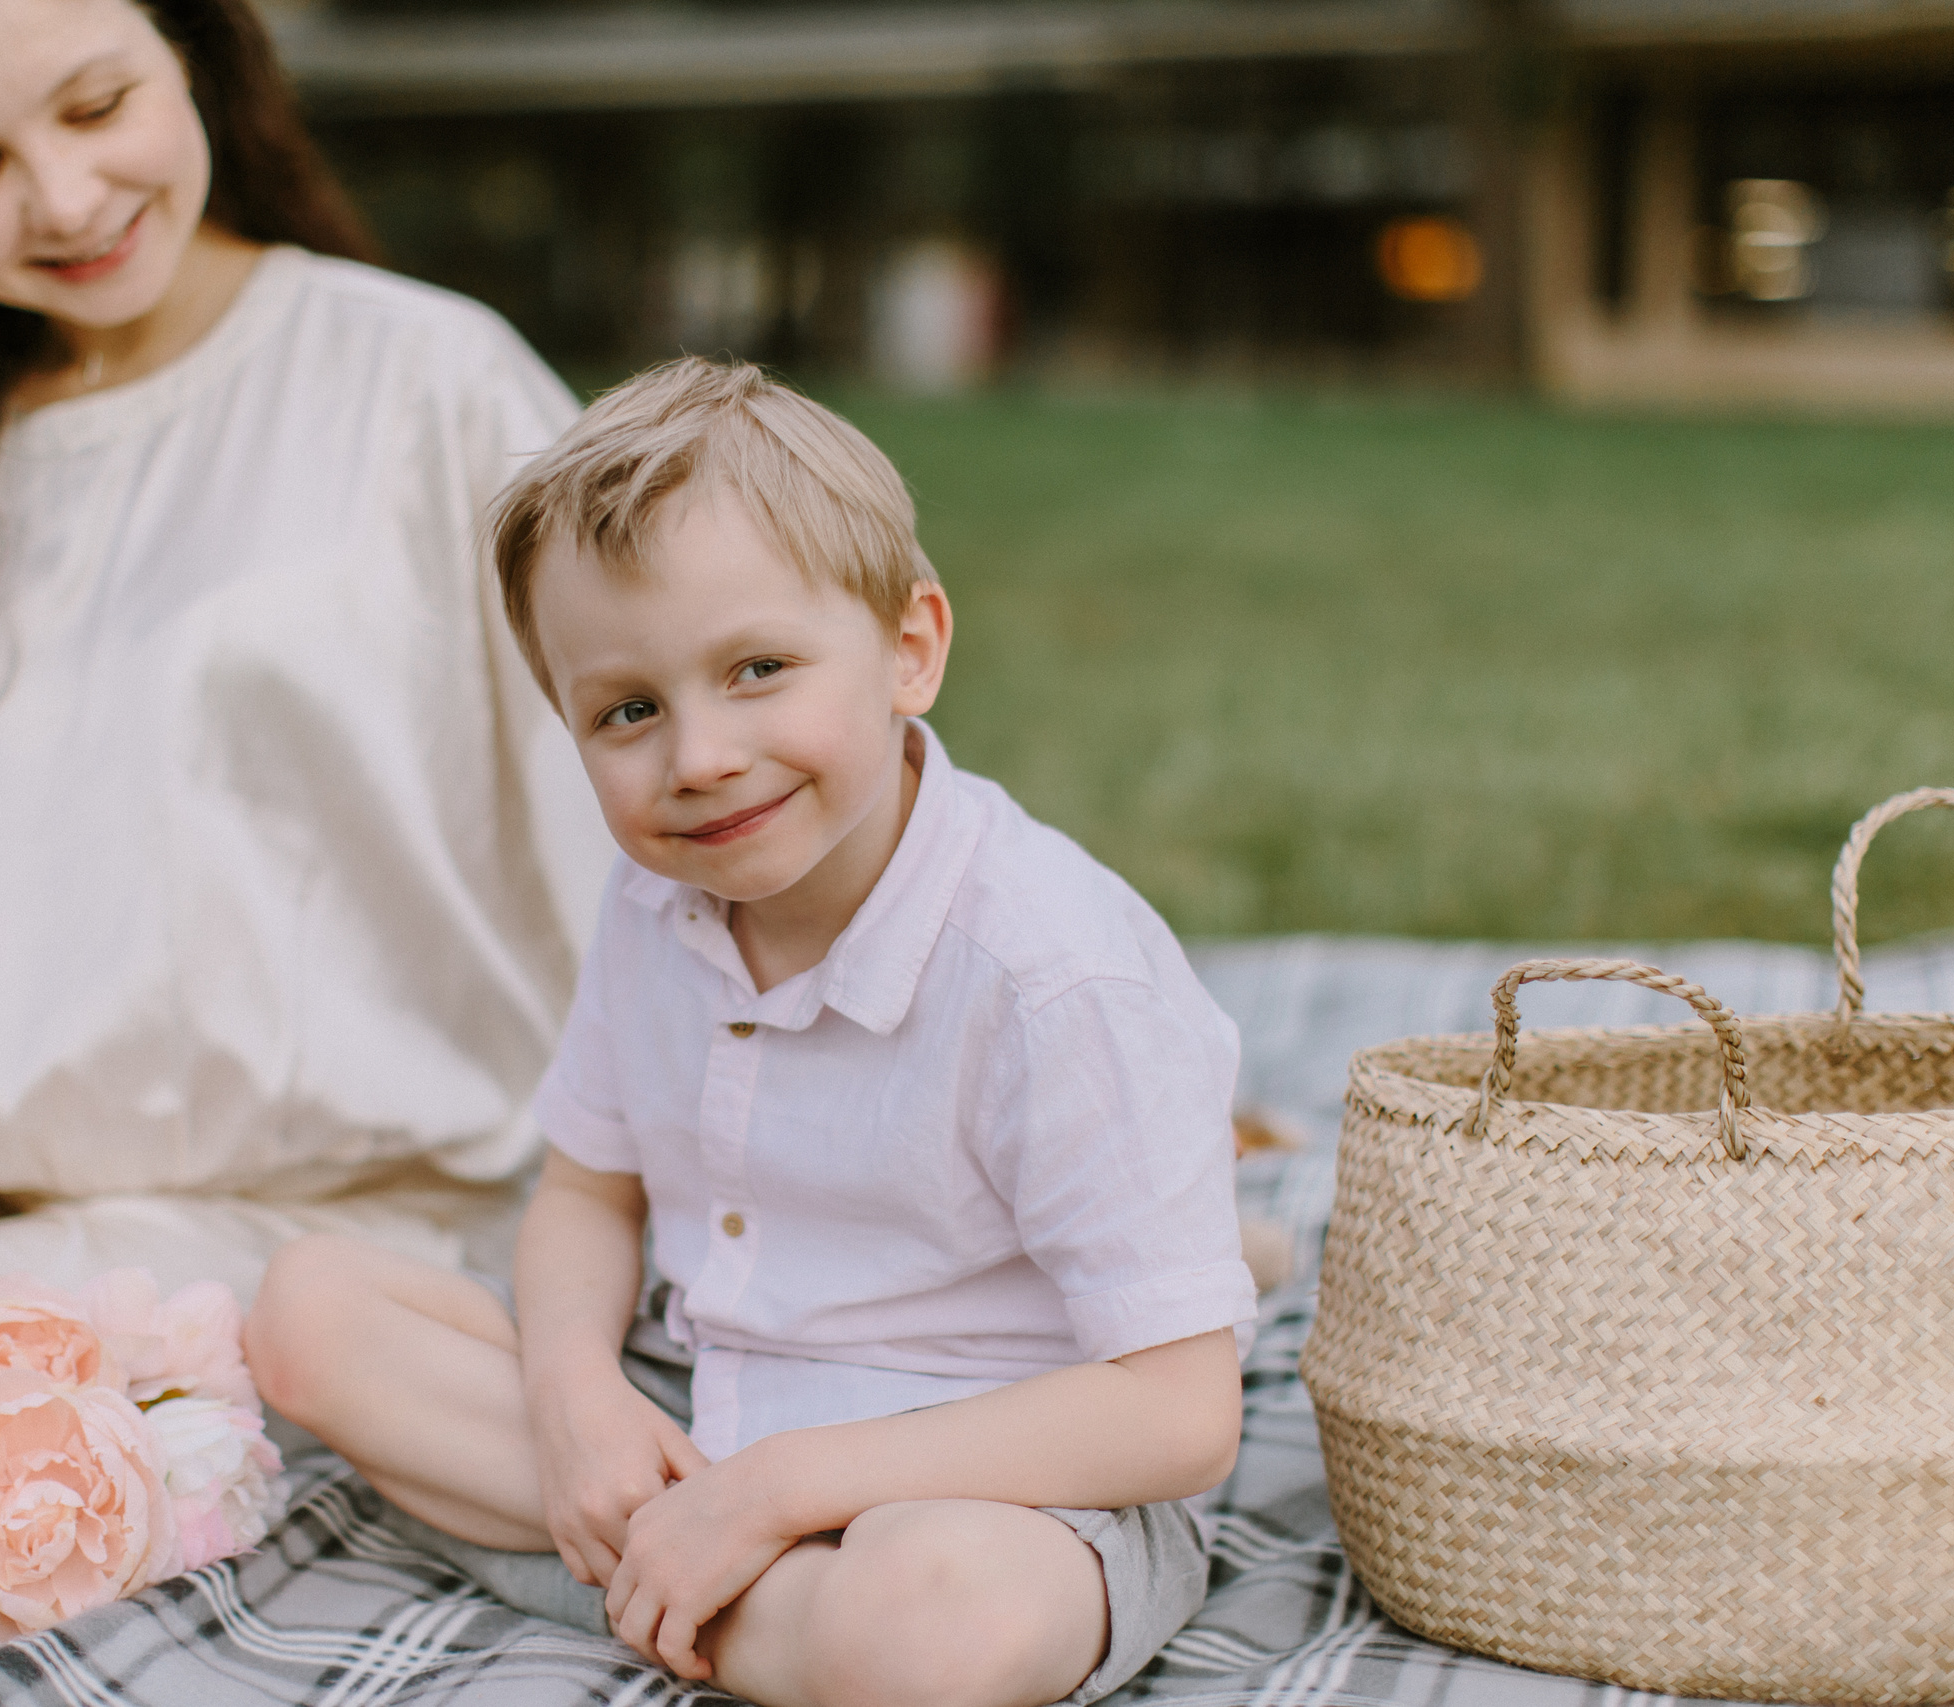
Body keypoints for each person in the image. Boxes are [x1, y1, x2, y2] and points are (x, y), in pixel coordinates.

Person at [0, 0, 606, 1488]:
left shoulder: (430, 384)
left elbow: (640, 816)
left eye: (96, 108)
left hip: (325, 1216)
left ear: (192, 53)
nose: (67, 200)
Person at [247, 358, 1257, 1707]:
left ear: (910, 649)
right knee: (304, 1314)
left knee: (935, 1626)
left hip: (991, 1469)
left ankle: (665, 1576)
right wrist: (575, 1400)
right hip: (699, 1391)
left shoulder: (1055, 976)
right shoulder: (657, 899)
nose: (700, 758)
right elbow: (587, 1194)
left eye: (759, 670)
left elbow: (1180, 1414)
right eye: (629, 710)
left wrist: (781, 1489)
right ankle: (707, 1576)